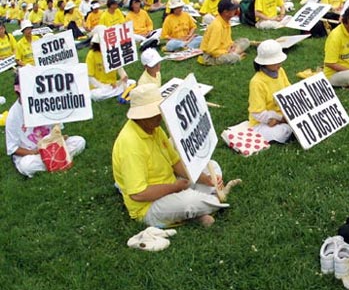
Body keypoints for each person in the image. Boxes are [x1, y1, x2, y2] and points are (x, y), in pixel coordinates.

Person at [112, 84, 239, 228]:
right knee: (189, 201)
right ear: (141, 116)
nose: (160, 116)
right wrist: (175, 187)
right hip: (149, 206)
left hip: (171, 185)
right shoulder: (130, 145)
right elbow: (138, 194)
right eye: (154, 113)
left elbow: (175, 162)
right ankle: (210, 202)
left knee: (211, 166)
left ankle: (199, 208)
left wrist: (206, 179)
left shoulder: (153, 128)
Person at [5, 73, 86, 178]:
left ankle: (53, 161)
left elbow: (56, 130)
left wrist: (60, 140)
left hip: (52, 147)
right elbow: (13, 149)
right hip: (32, 153)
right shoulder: (13, 115)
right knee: (27, 165)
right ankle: (59, 160)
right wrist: (34, 152)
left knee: (79, 141)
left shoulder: (46, 104)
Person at [248, 40, 293, 144]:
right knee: (280, 132)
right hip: (264, 122)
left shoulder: (280, 71)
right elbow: (258, 113)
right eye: (275, 62)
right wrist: (280, 119)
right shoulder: (257, 82)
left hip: (284, 115)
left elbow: (289, 91)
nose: (279, 65)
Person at [200, 0, 250, 65]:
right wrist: (226, 52)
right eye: (234, 9)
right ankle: (235, 55)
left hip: (226, 49)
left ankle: (234, 53)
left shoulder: (226, 21)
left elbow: (228, 41)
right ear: (226, 12)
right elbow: (211, 50)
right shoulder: (217, 26)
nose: (236, 11)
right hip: (212, 56)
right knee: (234, 57)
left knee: (245, 41)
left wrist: (232, 46)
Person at [85, 34, 133, 101]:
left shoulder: (112, 51)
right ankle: (116, 92)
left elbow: (119, 67)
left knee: (132, 82)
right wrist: (103, 86)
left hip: (113, 85)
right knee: (96, 95)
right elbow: (90, 77)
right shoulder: (91, 54)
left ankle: (115, 92)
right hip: (99, 87)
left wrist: (123, 77)